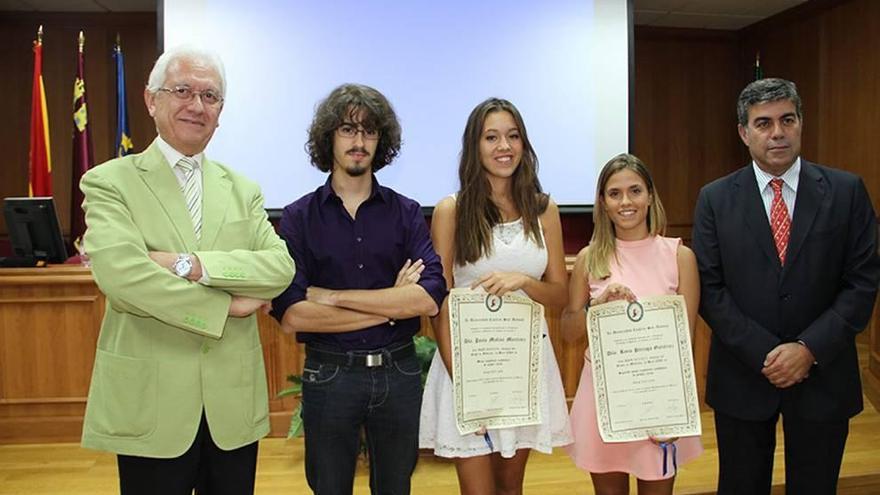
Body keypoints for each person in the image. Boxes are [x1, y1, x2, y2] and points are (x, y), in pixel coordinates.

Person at [79, 45, 296, 495]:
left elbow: (279, 269)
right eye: (183, 91)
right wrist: (223, 307)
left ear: (221, 111)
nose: (197, 106)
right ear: (151, 100)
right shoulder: (108, 182)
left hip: (231, 409)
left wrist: (189, 264)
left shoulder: (243, 189)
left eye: (210, 96)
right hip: (151, 406)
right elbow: (122, 278)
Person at [692, 78, 880, 495]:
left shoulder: (846, 192)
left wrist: (808, 349)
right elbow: (710, 287)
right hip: (744, 375)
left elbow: (863, 281)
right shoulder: (715, 199)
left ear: (800, 124)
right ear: (744, 132)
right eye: (763, 123)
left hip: (823, 375)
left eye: (786, 120)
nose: (777, 132)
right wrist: (766, 353)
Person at [271, 83, 446, 495]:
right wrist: (391, 304)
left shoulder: (405, 212)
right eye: (348, 130)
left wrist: (330, 296)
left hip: (398, 371)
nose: (359, 141)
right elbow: (293, 314)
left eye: (369, 132)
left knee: (395, 489)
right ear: (328, 137)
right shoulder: (298, 218)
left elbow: (428, 296)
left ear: (380, 141)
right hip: (330, 372)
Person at [419, 97, 572, 495]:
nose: (504, 146)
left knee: (511, 488)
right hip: (468, 368)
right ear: (475, 146)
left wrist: (523, 281)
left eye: (513, 136)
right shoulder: (451, 210)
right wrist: (465, 384)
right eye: (492, 137)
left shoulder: (544, 209)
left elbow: (559, 295)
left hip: (525, 367)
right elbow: (439, 301)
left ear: (524, 145)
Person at [562, 153, 703, 495]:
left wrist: (676, 410)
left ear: (650, 195)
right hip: (603, 401)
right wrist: (596, 307)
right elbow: (568, 330)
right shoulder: (588, 258)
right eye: (614, 193)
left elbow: (687, 342)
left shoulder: (679, 256)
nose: (625, 202)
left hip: (658, 401)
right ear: (603, 202)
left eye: (635, 190)